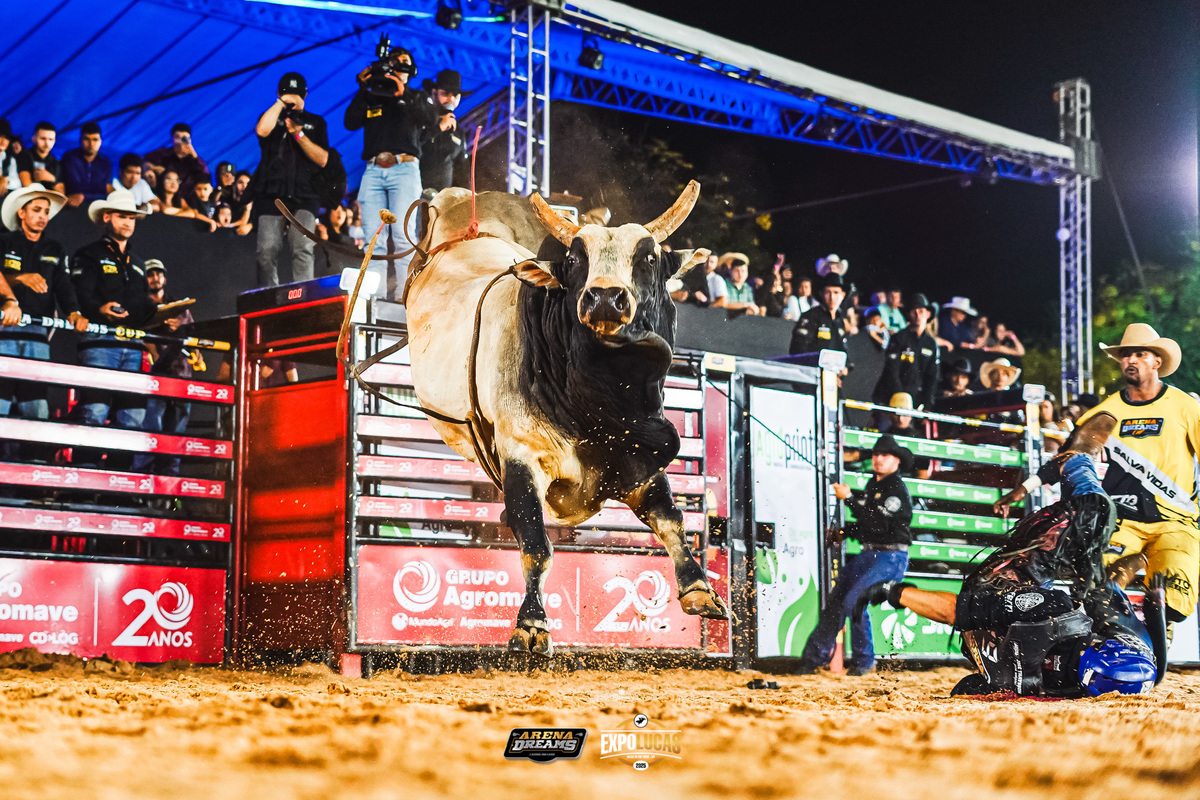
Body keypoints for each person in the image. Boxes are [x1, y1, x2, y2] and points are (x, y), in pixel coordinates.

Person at [860, 412, 1166, 698]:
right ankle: (1078, 460)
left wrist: (894, 591)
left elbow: (957, 613)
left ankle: (1075, 466)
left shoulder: (1047, 627)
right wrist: (1156, 606)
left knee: (1091, 527)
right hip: (1030, 614)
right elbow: (957, 615)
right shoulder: (1119, 651)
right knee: (1096, 540)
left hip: (1008, 602)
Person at [1073, 323, 1200, 626]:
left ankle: (1159, 632)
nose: (1131, 360)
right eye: (1126, 355)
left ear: (1157, 361)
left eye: (1140, 354)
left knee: (1174, 603)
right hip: (1122, 520)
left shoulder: (1185, 407)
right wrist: (1031, 484)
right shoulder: (1108, 409)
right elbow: (1071, 453)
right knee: (1097, 589)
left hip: (1176, 521)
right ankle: (1119, 639)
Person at [799, 434, 915, 676]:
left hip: (890, 557)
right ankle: (812, 659)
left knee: (855, 601)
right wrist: (844, 532)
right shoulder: (875, 486)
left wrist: (850, 499)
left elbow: (879, 523)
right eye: (876, 454)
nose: (878, 459)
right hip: (870, 554)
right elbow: (868, 523)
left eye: (885, 455)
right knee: (837, 601)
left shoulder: (896, 489)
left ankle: (864, 662)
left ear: (896, 460)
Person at [0, 184, 88, 460]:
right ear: (21, 213)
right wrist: (19, 280)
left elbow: (64, 285)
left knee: (36, 405)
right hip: (4, 331)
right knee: (0, 402)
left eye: (46, 212)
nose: (42, 216)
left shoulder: (55, 248)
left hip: (38, 335)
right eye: (36, 210)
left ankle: (35, 470)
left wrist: (74, 312)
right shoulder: (4, 242)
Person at [70, 190, 156, 468]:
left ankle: (120, 482)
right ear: (106, 217)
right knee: (94, 411)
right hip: (99, 340)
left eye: (132, 217)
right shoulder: (88, 255)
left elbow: (143, 305)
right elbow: (80, 296)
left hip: (133, 344)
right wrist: (99, 309)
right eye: (122, 216)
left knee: (132, 417)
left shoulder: (139, 263)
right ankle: (83, 478)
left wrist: (162, 315)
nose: (128, 222)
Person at [344, 43, 437, 298]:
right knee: (373, 239)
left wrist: (401, 93)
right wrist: (363, 88)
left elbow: (430, 121)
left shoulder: (417, 96)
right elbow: (350, 122)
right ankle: (373, 298)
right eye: (394, 61)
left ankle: (403, 297)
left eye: (404, 61)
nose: (398, 65)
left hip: (404, 169)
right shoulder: (373, 94)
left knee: (403, 236)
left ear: (411, 69)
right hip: (373, 169)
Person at [250, 72, 330, 287]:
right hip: (271, 192)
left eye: (297, 94)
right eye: (287, 94)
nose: (292, 99)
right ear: (278, 93)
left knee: (302, 247)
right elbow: (262, 130)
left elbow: (323, 159)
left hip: (306, 194)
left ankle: (302, 295)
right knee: (266, 250)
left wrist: (298, 134)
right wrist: (280, 103)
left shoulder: (316, 122)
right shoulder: (270, 117)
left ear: (305, 95)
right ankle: (269, 295)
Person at [131, 260, 199, 476]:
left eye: (158, 274)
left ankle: (169, 480)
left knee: (176, 431)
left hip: (181, 375)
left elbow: (194, 335)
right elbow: (138, 334)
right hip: (154, 378)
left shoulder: (179, 306)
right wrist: (155, 352)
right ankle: (142, 477)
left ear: (164, 277)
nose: (155, 278)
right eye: (150, 274)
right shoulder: (140, 305)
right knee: (151, 429)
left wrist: (183, 332)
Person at [871, 292, 940, 412]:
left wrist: (928, 405)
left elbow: (932, 376)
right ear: (908, 314)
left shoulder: (931, 344)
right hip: (893, 399)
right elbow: (891, 370)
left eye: (921, 311)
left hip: (917, 403)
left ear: (928, 314)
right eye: (914, 311)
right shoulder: (899, 338)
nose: (917, 315)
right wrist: (900, 398)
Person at [420, 70, 470, 192]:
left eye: (456, 95)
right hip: (415, 192)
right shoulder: (421, 118)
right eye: (446, 93)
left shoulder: (458, 131)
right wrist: (438, 127)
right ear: (434, 92)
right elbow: (413, 144)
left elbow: (461, 168)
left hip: (441, 196)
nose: (451, 98)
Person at [789, 273, 848, 355]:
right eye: (827, 292)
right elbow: (799, 350)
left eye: (836, 292)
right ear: (821, 294)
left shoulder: (840, 320)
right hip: (813, 362)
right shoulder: (809, 316)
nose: (832, 297)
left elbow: (843, 350)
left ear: (843, 295)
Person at [143, 123, 208, 198]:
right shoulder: (163, 154)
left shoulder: (194, 160)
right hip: (162, 197)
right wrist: (152, 169)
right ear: (172, 138)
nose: (181, 141)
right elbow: (143, 161)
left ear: (189, 140)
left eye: (184, 138)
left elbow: (206, 177)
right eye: (177, 137)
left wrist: (193, 154)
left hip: (187, 199)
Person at [61, 122, 113, 206]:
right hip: (73, 206)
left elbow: (107, 193)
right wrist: (102, 187)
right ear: (80, 140)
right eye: (87, 139)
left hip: (98, 206)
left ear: (100, 141)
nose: (91, 144)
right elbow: (74, 187)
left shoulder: (106, 162)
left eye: (95, 139)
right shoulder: (70, 157)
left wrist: (84, 196)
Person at [15, 122, 63, 194]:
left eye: (50, 139)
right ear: (33, 138)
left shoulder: (55, 162)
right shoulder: (24, 155)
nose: (47, 143)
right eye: (43, 139)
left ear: (54, 141)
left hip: (49, 199)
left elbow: (62, 194)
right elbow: (26, 185)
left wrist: (52, 179)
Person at [0, 120, 18, 202]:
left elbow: (17, 184)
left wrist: (6, 180)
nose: (3, 141)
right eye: (0, 136)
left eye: (6, 138)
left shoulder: (10, 160)